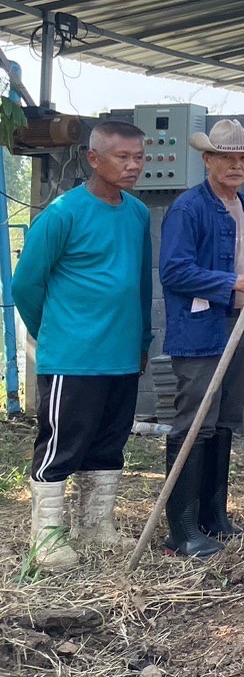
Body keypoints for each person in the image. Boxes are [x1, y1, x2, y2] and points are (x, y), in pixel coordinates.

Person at [17, 120, 152, 571]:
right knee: (62, 445)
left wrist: (142, 340)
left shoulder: (137, 213)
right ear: (93, 159)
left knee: (109, 442)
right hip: (73, 356)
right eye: (122, 157)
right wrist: (54, 332)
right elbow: (26, 286)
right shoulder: (62, 214)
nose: (133, 166)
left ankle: (97, 525)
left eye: (138, 157)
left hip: (122, 354)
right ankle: (48, 538)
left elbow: (140, 285)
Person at [157, 119, 244, 557]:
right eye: (227, 156)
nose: (237, 164)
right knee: (195, 422)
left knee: (223, 420)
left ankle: (213, 517)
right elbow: (174, 271)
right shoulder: (190, 208)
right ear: (208, 159)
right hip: (203, 329)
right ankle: (182, 530)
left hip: (239, 326)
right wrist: (233, 283)